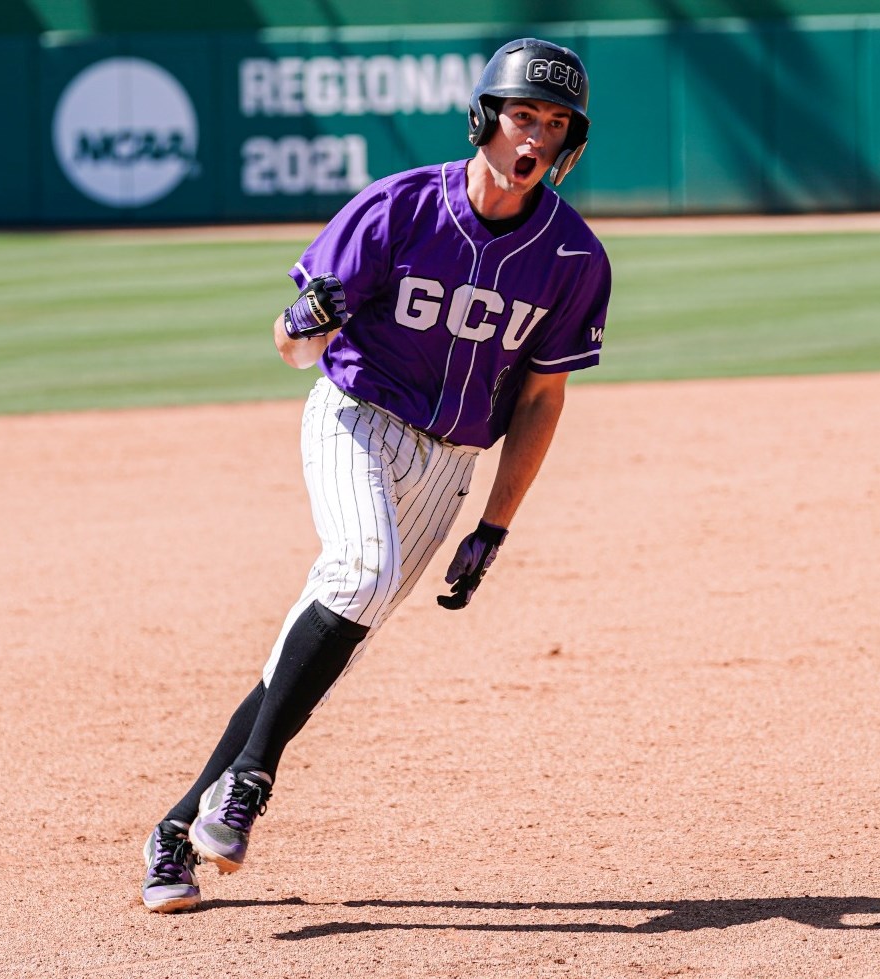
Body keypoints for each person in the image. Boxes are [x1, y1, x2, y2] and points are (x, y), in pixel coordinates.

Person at [138, 37, 611, 913]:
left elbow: (541, 400)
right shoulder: (397, 209)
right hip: (355, 418)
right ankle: (250, 781)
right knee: (358, 574)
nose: (533, 137)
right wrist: (298, 319)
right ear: (483, 120)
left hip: (450, 461)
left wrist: (495, 524)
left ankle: (176, 830)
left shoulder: (575, 258)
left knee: (325, 642)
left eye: (553, 123)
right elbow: (292, 348)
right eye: (520, 115)